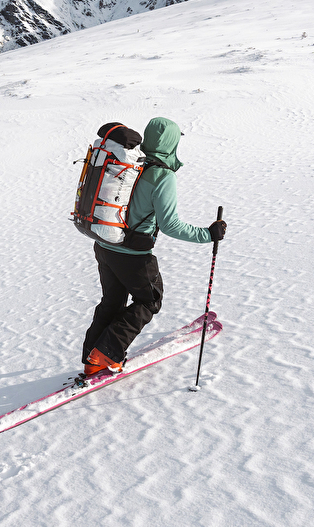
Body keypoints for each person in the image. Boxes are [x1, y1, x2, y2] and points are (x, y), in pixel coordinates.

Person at [82, 117, 227, 377]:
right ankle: (106, 353)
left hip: (105, 244)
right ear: (171, 143)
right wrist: (208, 234)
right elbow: (170, 225)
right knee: (149, 300)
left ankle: (93, 358)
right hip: (133, 255)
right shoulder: (162, 175)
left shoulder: (131, 164)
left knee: (112, 302)